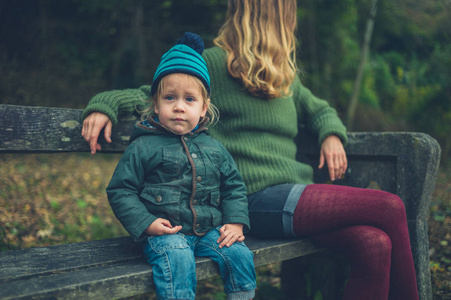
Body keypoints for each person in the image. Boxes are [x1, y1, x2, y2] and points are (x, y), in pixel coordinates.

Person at [82, 1, 419, 299]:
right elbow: (153, 94)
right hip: (250, 199)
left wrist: (331, 133)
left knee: (375, 244)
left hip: (293, 196)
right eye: (289, 15)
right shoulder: (213, 62)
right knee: (389, 206)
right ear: (278, 19)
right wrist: (103, 104)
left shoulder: (285, 79)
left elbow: (320, 110)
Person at [105, 32, 256, 300]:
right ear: (155, 103)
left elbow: (233, 186)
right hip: (166, 233)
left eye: (189, 99)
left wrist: (235, 222)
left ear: (204, 108)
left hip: (208, 231)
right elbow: (120, 190)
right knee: (177, 257)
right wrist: (147, 223)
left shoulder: (214, 148)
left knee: (239, 254)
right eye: (170, 98)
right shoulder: (144, 146)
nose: (179, 107)